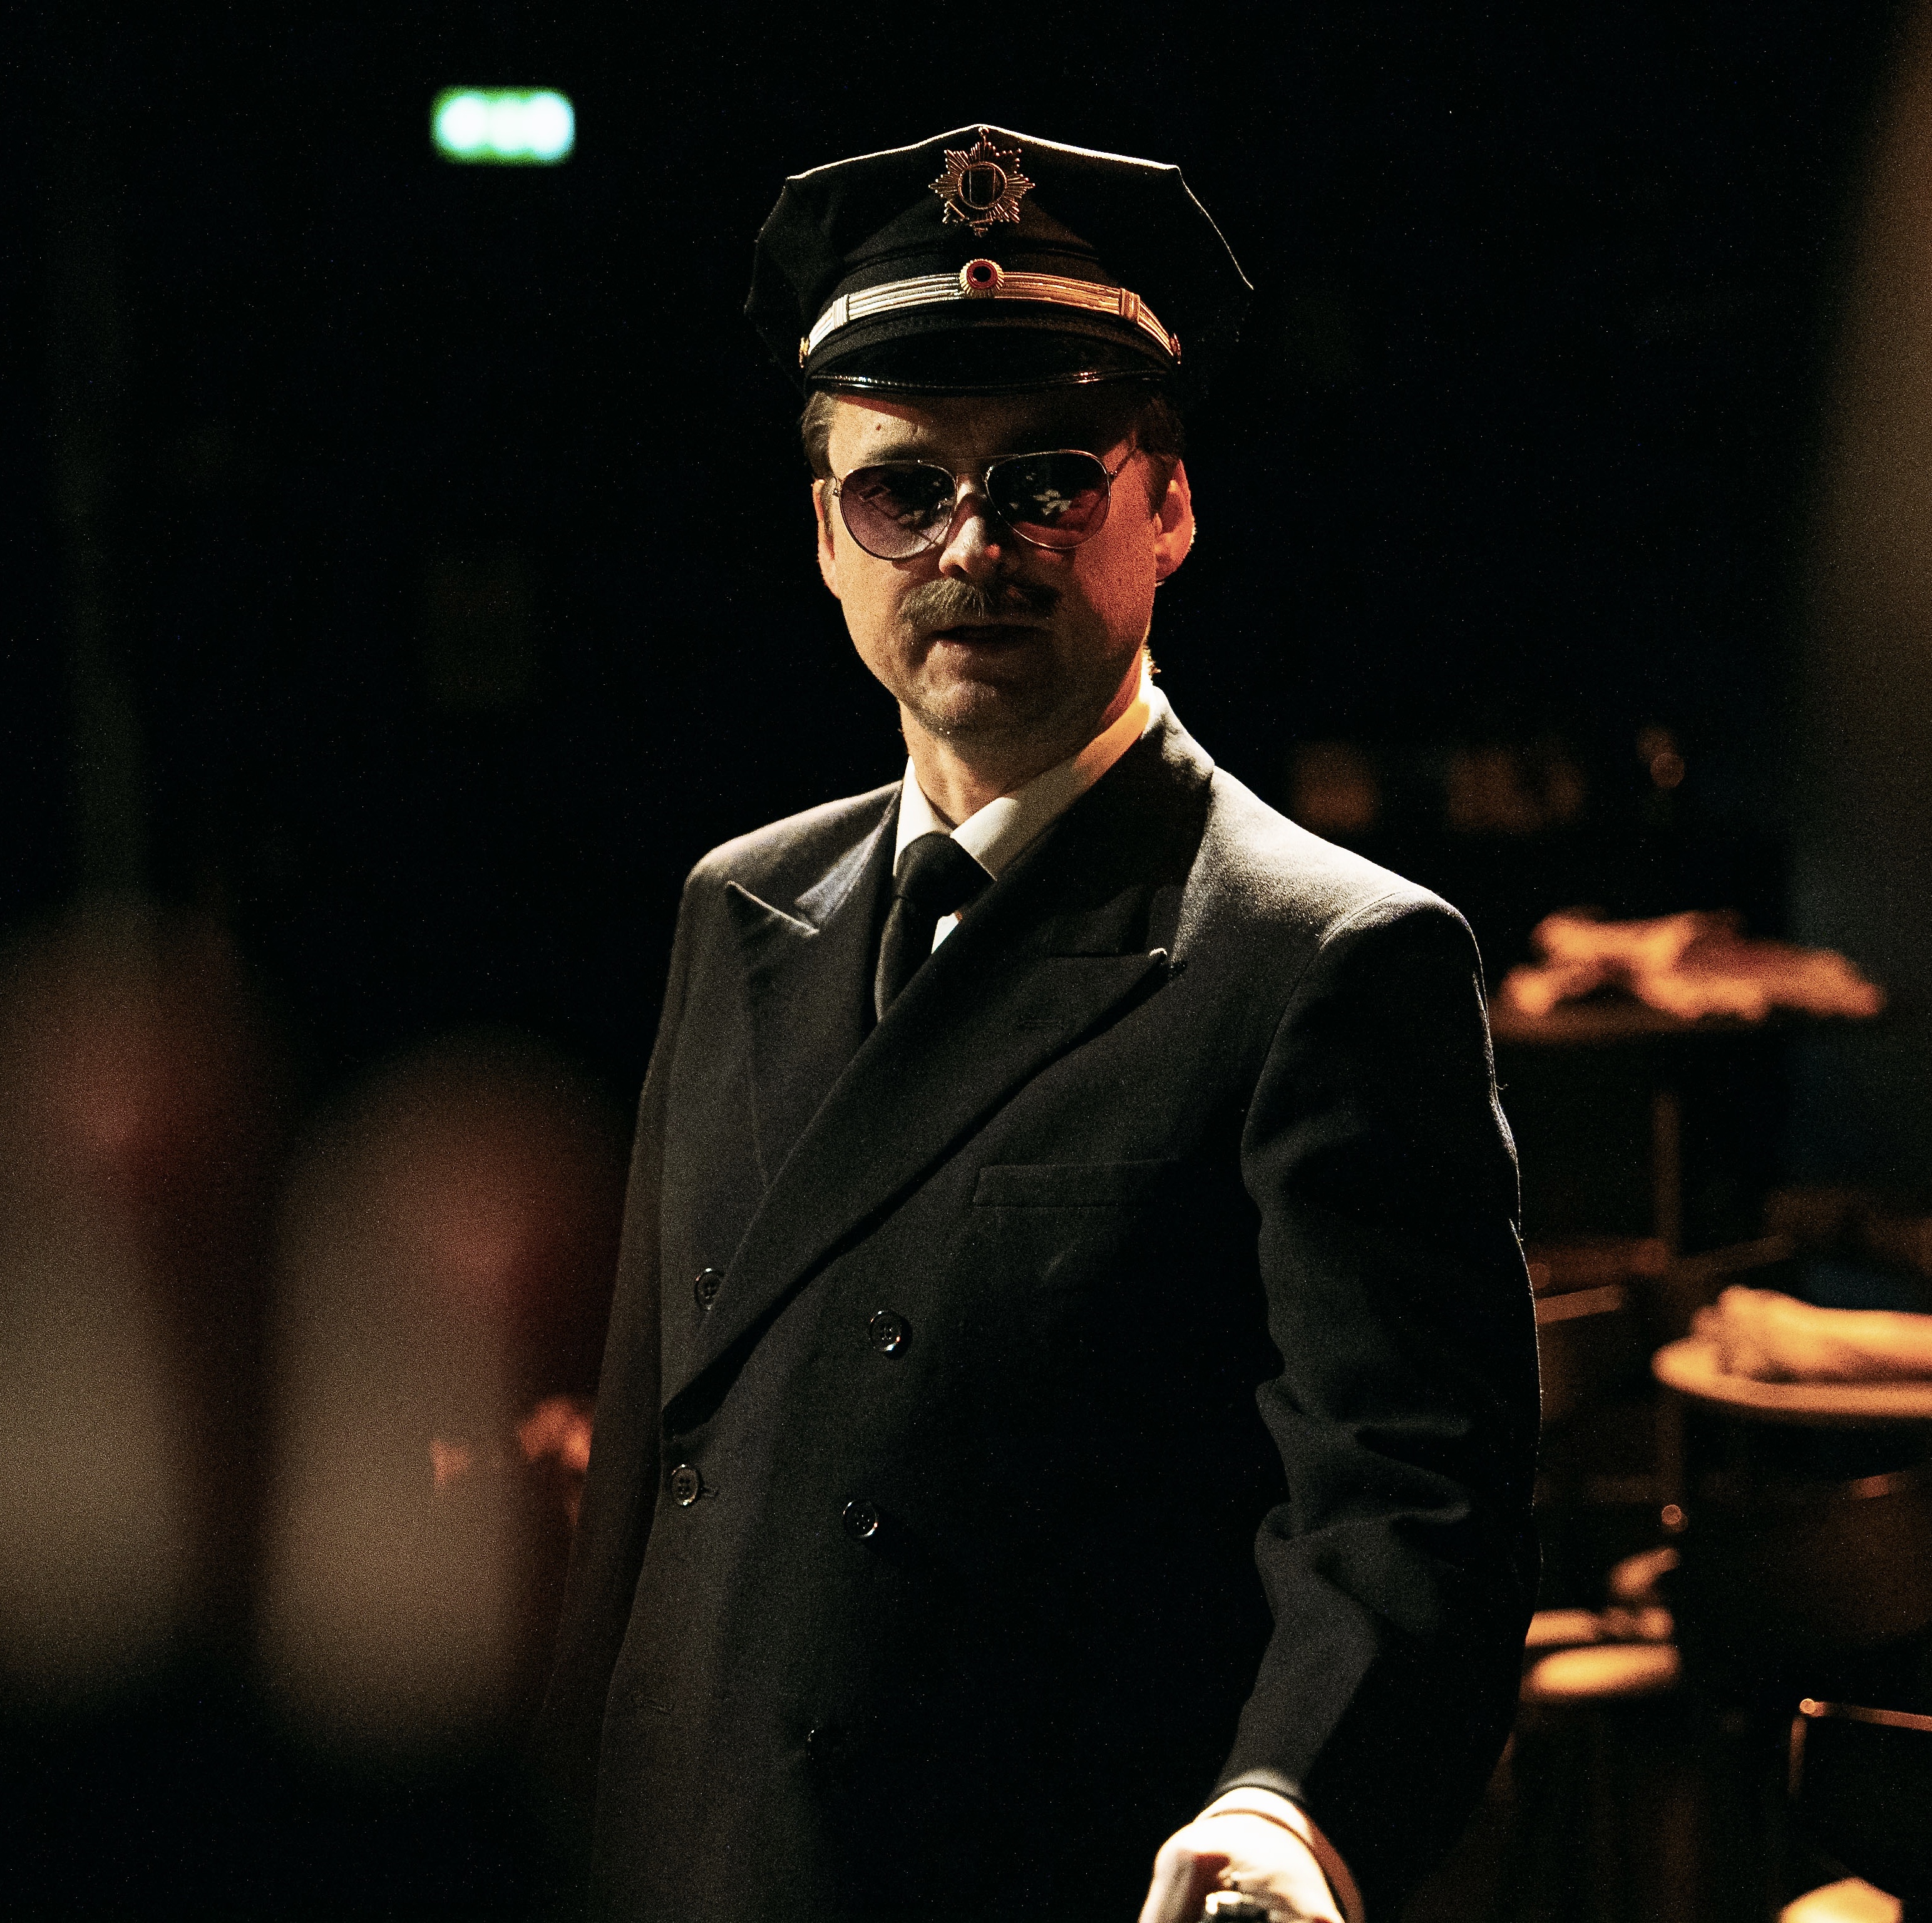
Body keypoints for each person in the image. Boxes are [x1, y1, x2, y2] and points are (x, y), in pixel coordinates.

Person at [537, 125, 1540, 1923]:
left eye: (1047, 483)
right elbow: (649, 1467)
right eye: (901, 492)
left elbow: (1412, 1502)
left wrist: (1290, 1805)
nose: (971, 547)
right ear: (826, 536)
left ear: (1171, 509)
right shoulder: (737, 907)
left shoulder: (1325, 956)